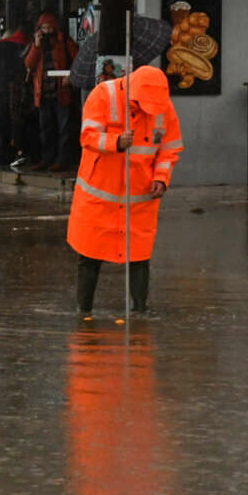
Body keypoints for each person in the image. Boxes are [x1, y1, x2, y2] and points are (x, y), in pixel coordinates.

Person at [67, 65, 184, 315]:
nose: (145, 112)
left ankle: (140, 311)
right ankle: (83, 310)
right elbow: (87, 137)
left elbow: (169, 148)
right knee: (90, 254)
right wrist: (115, 142)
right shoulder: (102, 95)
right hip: (99, 194)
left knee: (139, 255)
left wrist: (162, 178)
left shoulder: (163, 107)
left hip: (140, 197)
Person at [24, 11, 80, 172]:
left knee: (64, 128)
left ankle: (62, 160)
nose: (47, 31)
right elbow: (29, 64)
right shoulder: (38, 44)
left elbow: (77, 60)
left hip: (61, 90)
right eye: (44, 28)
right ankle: (47, 158)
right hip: (43, 92)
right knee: (46, 128)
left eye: (49, 27)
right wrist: (36, 45)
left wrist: (70, 76)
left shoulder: (64, 42)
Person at [0, 21, 31, 166]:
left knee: (3, 124)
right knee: (17, 123)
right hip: (17, 90)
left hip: (1, 90)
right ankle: (17, 152)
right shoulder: (24, 45)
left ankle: (2, 154)